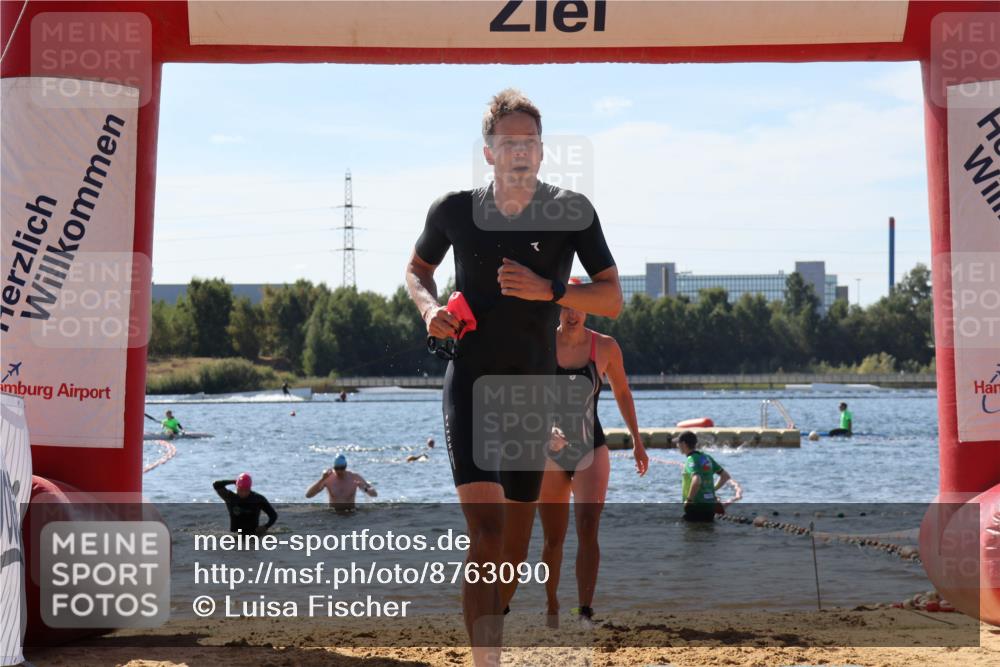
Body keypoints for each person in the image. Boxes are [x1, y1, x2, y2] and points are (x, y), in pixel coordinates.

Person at [404, 88, 622, 664]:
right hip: (470, 381)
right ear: (490, 152)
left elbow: (613, 299)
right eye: (508, 143)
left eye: (529, 142)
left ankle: (492, 619)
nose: (519, 151)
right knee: (487, 534)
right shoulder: (454, 209)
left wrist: (550, 288)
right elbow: (416, 270)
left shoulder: (572, 212)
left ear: (543, 151)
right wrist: (431, 311)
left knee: (514, 558)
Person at [528, 288, 648, 627]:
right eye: (565, 307)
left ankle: (584, 611)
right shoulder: (541, 344)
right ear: (557, 309)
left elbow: (622, 391)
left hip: (591, 448)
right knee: (553, 538)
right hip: (549, 453)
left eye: (579, 307)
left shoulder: (605, 347)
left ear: (588, 310)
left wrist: (637, 441)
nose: (572, 314)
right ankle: (551, 605)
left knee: (588, 529)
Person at [677, 431, 730, 523]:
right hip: (710, 505)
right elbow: (725, 476)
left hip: (696, 505)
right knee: (707, 531)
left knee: (690, 534)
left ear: (683, 444)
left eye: (678, 443)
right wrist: (712, 490)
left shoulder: (691, 460)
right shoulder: (707, 458)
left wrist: (689, 500)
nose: (677, 446)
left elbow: (696, 480)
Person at [305, 454, 377, 511]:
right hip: (334, 514)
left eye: (342, 468)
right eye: (337, 468)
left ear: (345, 467)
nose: (339, 471)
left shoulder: (354, 477)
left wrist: (365, 489)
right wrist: (322, 479)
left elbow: (374, 494)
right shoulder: (328, 479)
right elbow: (308, 495)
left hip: (351, 514)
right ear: (334, 467)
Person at [213, 473, 278, 535]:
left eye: (246, 490)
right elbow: (216, 484)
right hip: (235, 536)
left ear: (250, 488)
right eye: (240, 490)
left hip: (253, 535)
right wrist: (235, 481)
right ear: (237, 487)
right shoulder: (230, 497)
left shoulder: (258, 499)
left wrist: (266, 526)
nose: (243, 493)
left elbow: (273, 515)